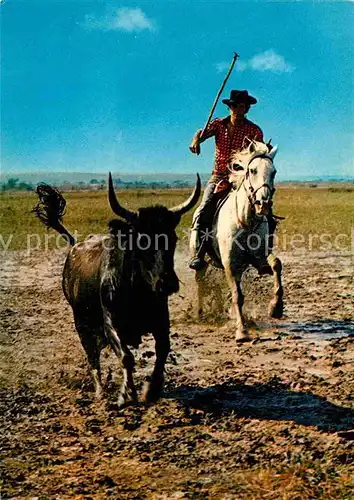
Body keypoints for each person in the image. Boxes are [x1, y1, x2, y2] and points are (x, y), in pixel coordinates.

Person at [188, 89, 264, 270]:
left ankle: (262, 252)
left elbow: (259, 153)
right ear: (230, 107)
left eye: (244, 107)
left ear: (247, 109)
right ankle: (199, 252)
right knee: (204, 208)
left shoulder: (253, 130)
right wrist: (195, 142)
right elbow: (200, 133)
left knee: (263, 206)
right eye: (237, 106)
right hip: (219, 176)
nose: (240, 110)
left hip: (240, 177)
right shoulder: (218, 125)